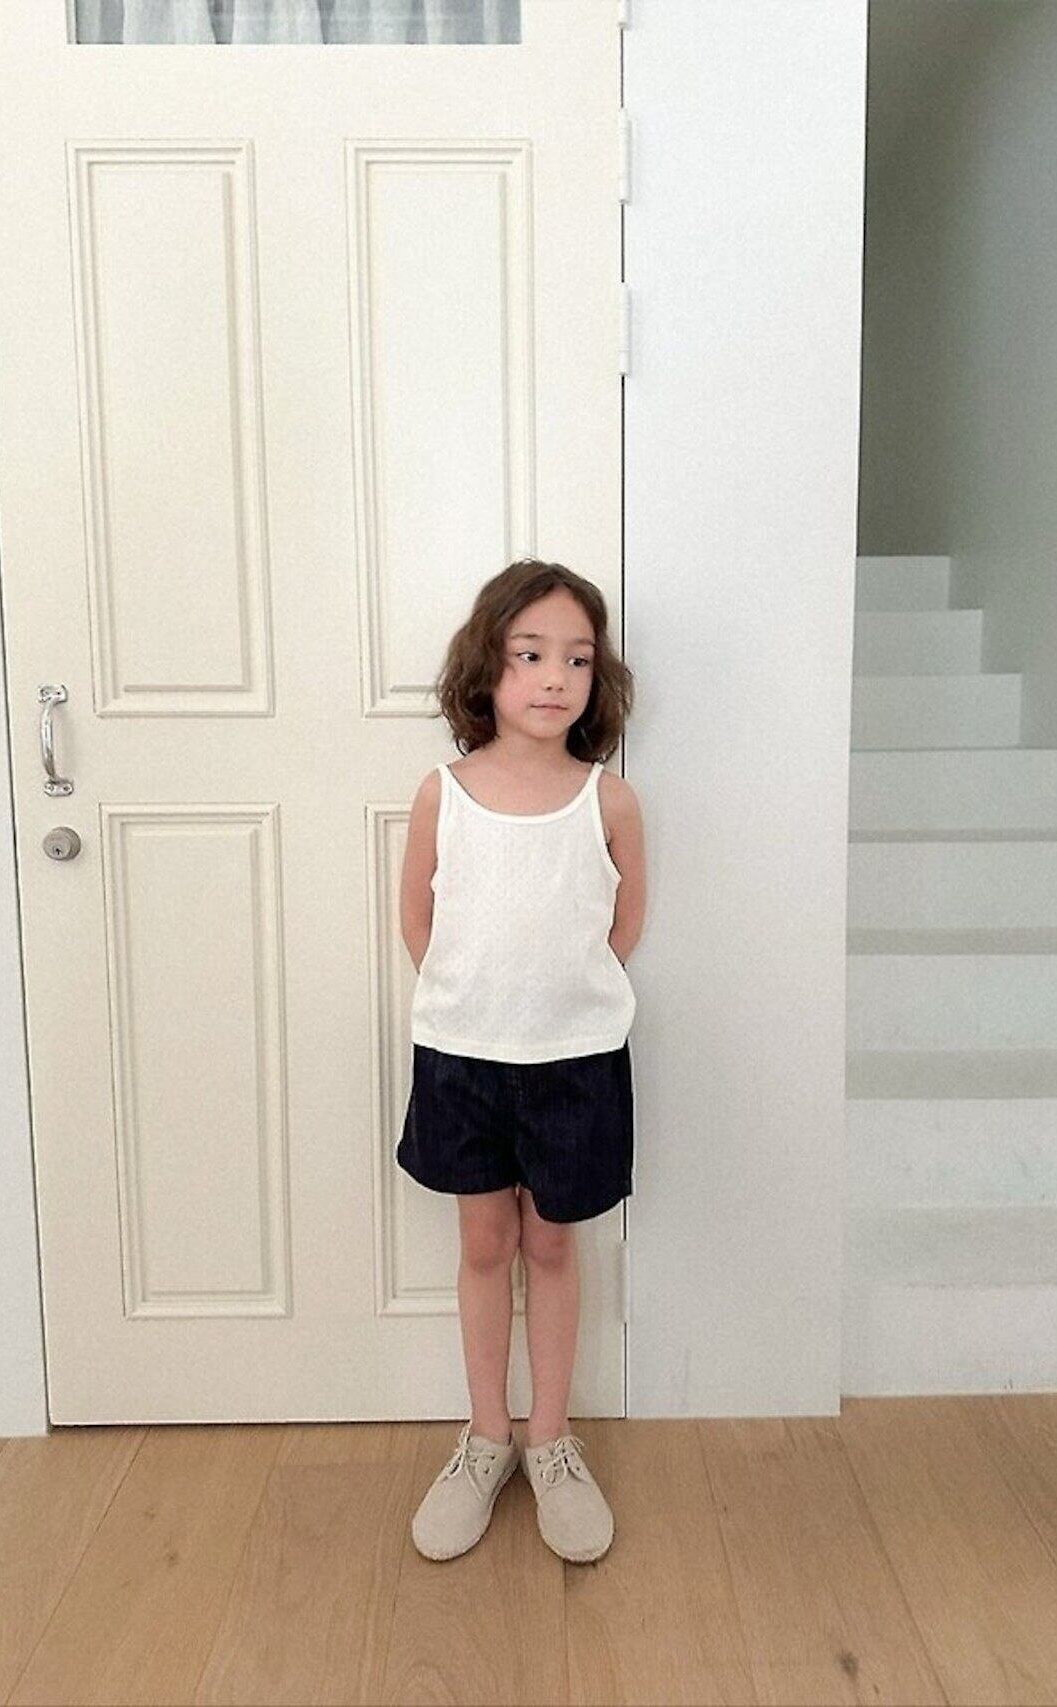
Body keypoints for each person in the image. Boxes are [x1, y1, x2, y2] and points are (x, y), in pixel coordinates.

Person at [396, 557, 644, 1564]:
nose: (554, 678)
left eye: (577, 659)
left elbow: (622, 923)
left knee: (551, 1246)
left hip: (575, 1063)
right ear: (486, 666)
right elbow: (418, 919)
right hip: (462, 1058)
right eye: (531, 654)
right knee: (484, 1245)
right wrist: (478, 1004)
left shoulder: (608, 800)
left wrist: (559, 1004)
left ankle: (550, 1439)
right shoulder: (443, 793)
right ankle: (486, 1437)